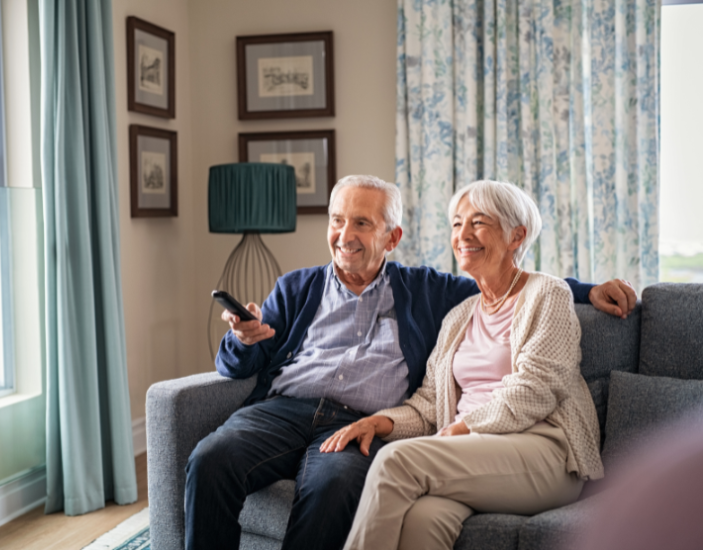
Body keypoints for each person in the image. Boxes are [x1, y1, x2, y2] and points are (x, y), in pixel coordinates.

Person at [184, 175, 635, 550]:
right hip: (285, 411)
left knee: (339, 485)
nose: (345, 235)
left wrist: (590, 291)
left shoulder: (432, 291)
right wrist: (242, 339)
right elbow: (238, 364)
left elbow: (524, 287)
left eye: (361, 222)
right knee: (211, 458)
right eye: (338, 220)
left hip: (378, 423)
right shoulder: (298, 288)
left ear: (392, 237)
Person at [322, 180, 604, 550]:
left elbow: (537, 389)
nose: (463, 234)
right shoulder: (459, 316)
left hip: (543, 453)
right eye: (457, 224)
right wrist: (379, 422)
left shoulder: (547, 294)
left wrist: (462, 428)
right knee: (422, 520)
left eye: (479, 222)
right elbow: (428, 404)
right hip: (472, 454)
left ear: (516, 236)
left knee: (395, 463)